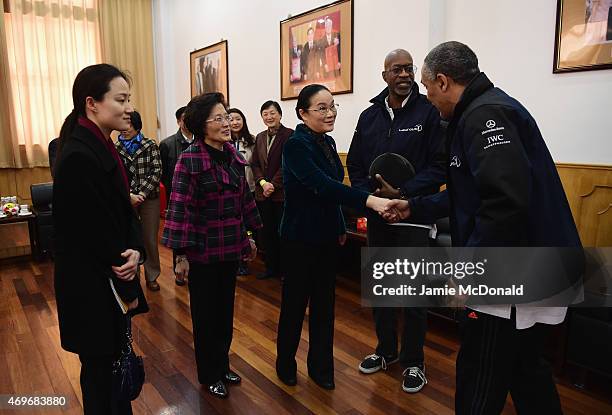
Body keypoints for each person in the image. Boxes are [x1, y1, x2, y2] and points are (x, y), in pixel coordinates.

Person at [385, 41, 582, 414]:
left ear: (442, 81)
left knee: (480, 369)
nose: (427, 98)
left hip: (512, 267)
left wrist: (468, 269)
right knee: (526, 368)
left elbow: (505, 204)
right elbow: (468, 193)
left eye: (427, 88)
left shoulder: (485, 115)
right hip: (530, 263)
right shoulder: (480, 110)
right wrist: (415, 205)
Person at [276, 84, 391, 390]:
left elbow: (332, 197)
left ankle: (321, 368)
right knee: (294, 305)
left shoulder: (327, 142)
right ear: (303, 113)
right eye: (321, 108)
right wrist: (369, 201)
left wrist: (340, 226)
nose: (330, 114)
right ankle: (285, 363)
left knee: (325, 306)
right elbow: (322, 185)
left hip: (327, 236)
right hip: (299, 238)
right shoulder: (295, 145)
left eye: (332, 107)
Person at [346, 48, 445, 393]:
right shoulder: (369, 116)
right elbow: (356, 165)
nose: (404, 75)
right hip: (378, 217)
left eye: (409, 69)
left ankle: (414, 362)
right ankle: (386, 351)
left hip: (414, 216)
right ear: (384, 74)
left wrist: (402, 193)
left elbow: (439, 166)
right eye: (397, 70)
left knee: (414, 295)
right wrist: (371, 201)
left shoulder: (429, 111)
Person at [52, 63, 148, 414]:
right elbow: (89, 231)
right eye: (121, 100)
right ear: (92, 103)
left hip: (109, 275)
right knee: (101, 378)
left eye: (129, 99)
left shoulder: (100, 145)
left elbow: (124, 211)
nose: (128, 108)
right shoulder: (79, 154)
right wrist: (126, 259)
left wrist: (136, 250)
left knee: (109, 372)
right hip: (94, 285)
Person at [161, 93, 262, 399]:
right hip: (202, 251)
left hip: (230, 246)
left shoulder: (232, 154)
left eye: (227, 115)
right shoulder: (189, 160)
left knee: (225, 311)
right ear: (201, 126)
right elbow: (181, 209)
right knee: (206, 317)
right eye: (218, 118)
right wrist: (181, 256)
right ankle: (209, 373)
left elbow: (244, 199)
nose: (227, 122)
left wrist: (251, 235)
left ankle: (223, 363)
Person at [115, 110, 162, 291]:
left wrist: (141, 194)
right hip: (126, 199)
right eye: (124, 124)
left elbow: (156, 172)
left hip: (149, 198)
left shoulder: (150, 144)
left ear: (137, 126)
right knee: (130, 239)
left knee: (149, 239)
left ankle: (152, 276)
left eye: (130, 125)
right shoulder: (115, 147)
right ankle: (132, 277)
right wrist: (129, 196)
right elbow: (116, 176)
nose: (126, 129)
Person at [251, 100, 293, 280]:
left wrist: (273, 185)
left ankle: (285, 270)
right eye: (265, 114)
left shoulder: (290, 135)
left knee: (282, 232)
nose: (269, 117)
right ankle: (270, 268)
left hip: (281, 194)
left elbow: (287, 164)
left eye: (272, 113)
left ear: (280, 115)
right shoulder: (259, 137)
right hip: (263, 193)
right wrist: (262, 183)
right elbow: (254, 163)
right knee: (266, 232)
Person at [159, 106, 194, 286]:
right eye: (184, 119)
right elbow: (164, 174)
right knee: (179, 234)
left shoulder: (201, 141)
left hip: (196, 197)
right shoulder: (167, 144)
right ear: (179, 121)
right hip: (177, 195)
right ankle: (179, 271)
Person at [229, 107, 257, 276]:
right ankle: (236, 259)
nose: (234, 122)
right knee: (236, 227)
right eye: (231, 119)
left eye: (238, 118)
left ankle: (245, 260)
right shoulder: (224, 142)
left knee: (248, 228)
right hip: (231, 192)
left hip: (250, 189)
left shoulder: (252, 140)